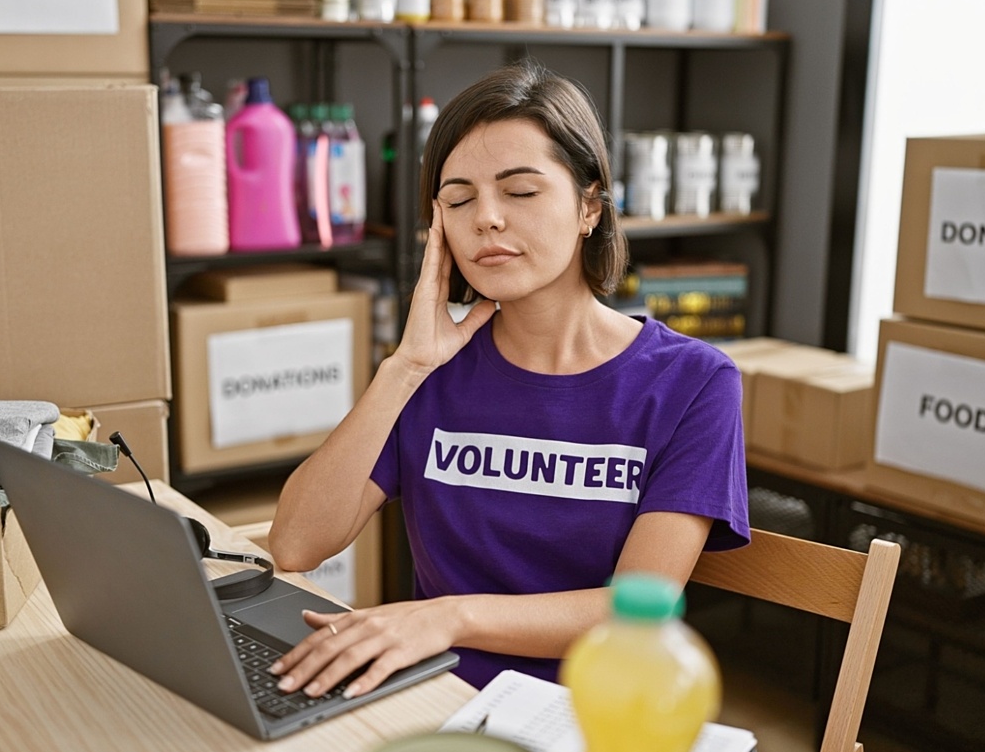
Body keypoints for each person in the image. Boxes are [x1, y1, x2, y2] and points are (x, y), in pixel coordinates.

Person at [267, 59, 749, 699]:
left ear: (589, 207)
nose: (486, 218)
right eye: (458, 199)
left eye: (520, 192)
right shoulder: (430, 371)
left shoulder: (695, 382)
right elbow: (296, 545)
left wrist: (449, 617)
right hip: (432, 699)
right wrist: (404, 368)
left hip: (591, 714)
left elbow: (634, 611)